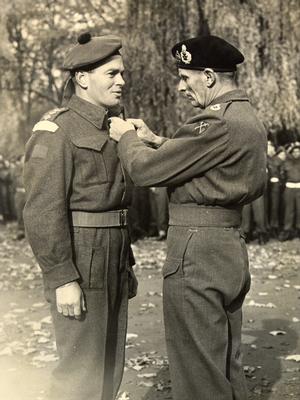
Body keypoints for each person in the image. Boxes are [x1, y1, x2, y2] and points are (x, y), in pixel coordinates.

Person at [109, 35, 267, 400]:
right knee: (225, 361)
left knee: (198, 368)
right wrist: (159, 141)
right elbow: (212, 164)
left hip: (196, 248)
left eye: (186, 78)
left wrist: (126, 138)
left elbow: (146, 172)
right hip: (228, 243)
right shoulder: (245, 118)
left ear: (209, 76)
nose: (181, 87)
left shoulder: (213, 123)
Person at [23, 32, 137, 400]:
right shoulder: (57, 130)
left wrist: (126, 262)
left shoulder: (113, 126)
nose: (121, 81)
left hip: (114, 253)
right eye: (112, 73)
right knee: (79, 373)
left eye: (122, 73)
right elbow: (42, 210)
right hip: (82, 258)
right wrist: (61, 278)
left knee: (109, 367)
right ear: (83, 79)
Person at [279, 142, 300, 240]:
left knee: (299, 210)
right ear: (291, 152)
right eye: (294, 151)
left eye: (298, 151)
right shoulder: (286, 162)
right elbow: (282, 176)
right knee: (289, 211)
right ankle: (287, 231)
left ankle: (298, 230)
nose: (296, 153)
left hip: (299, 188)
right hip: (289, 188)